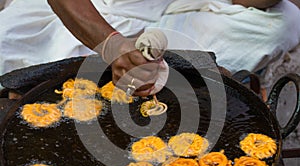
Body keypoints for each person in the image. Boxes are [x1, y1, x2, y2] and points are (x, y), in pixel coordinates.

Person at [0, 0, 299, 96]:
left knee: (284, 21)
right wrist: (112, 44)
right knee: (6, 35)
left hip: (180, 8)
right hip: (98, 8)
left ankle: (159, 61)